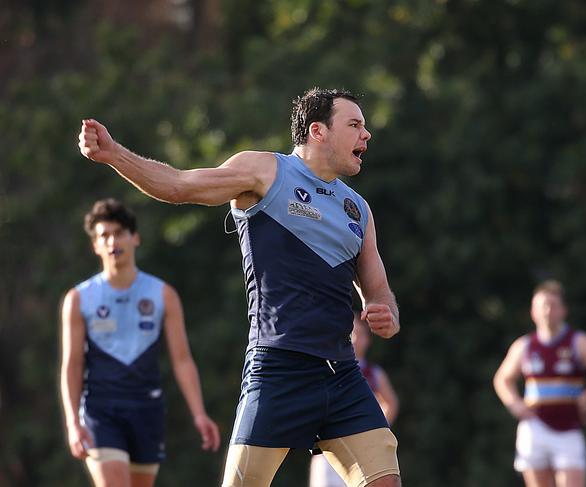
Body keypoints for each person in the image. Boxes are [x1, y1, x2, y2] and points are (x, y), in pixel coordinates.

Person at [77, 87, 402, 487]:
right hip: (279, 367)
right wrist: (114, 154)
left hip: (342, 375)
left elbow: (379, 292)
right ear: (318, 131)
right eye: (355, 125)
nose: (366, 135)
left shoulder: (358, 209)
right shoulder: (265, 171)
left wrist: (386, 312)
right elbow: (179, 185)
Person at [60, 198, 220, 487]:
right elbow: (72, 364)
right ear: (95, 245)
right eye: (104, 236)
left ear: (134, 237)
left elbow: (182, 360)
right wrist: (73, 422)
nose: (112, 241)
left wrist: (199, 414)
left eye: (119, 232)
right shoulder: (79, 299)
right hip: (101, 411)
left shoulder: (163, 294)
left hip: (147, 410)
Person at [493, 280, 586, 487]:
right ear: (533, 312)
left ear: (563, 311)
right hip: (534, 427)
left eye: (552, 305)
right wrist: (514, 404)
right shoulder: (524, 346)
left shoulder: (578, 342)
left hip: (568, 427)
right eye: (541, 306)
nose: (547, 311)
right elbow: (502, 379)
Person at [310, 313, 399, 487]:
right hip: (328, 451)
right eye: (352, 333)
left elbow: (391, 403)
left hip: (363, 452)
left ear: (367, 340)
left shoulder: (373, 373)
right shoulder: (327, 368)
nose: (356, 338)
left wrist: (376, 432)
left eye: (360, 333)